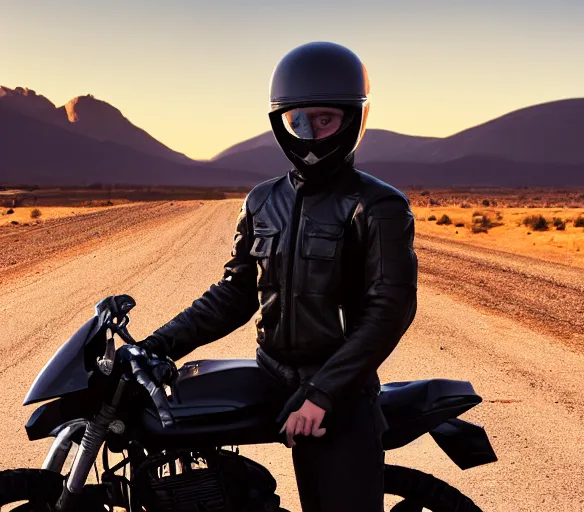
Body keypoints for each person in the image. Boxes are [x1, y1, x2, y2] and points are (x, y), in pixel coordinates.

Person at [137, 41, 418, 512]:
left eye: (324, 119)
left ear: (353, 119)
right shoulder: (262, 200)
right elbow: (234, 293)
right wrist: (152, 347)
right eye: (297, 120)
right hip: (268, 376)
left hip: (340, 393)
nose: (309, 133)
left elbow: (390, 309)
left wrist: (323, 393)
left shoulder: (379, 205)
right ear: (280, 121)